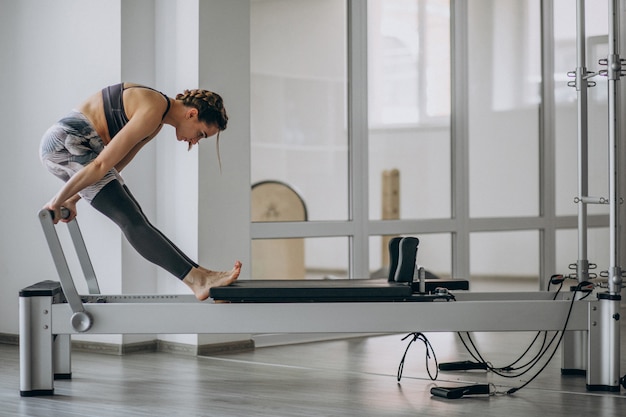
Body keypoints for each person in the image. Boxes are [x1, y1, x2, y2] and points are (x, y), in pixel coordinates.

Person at [40, 83, 241, 301]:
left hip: (82, 146)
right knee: (130, 220)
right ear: (192, 114)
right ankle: (198, 280)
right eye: (201, 134)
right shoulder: (152, 109)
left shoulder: (156, 119)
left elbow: (113, 166)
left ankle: (200, 275)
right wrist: (57, 201)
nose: (195, 141)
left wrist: (72, 199)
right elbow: (100, 165)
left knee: (137, 218)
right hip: (66, 142)